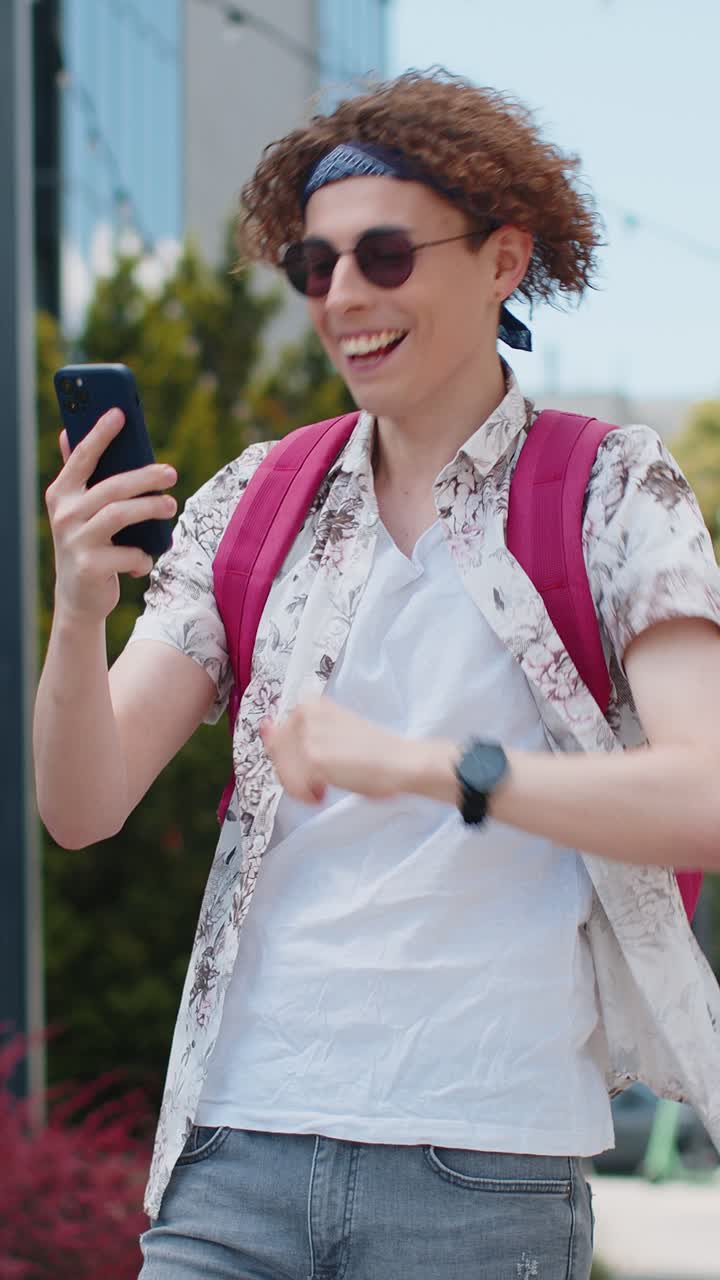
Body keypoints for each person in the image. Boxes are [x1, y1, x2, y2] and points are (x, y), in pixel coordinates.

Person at [34, 70, 720, 1280]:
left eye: (387, 255)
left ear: (505, 258)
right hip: (233, 1148)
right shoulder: (254, 499)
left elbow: (700, 795)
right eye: (316, 265)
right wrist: (80, 610)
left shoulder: (614, 490)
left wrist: (422, 765)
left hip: (481, 1168)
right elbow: (82, 808)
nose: (344, 295)